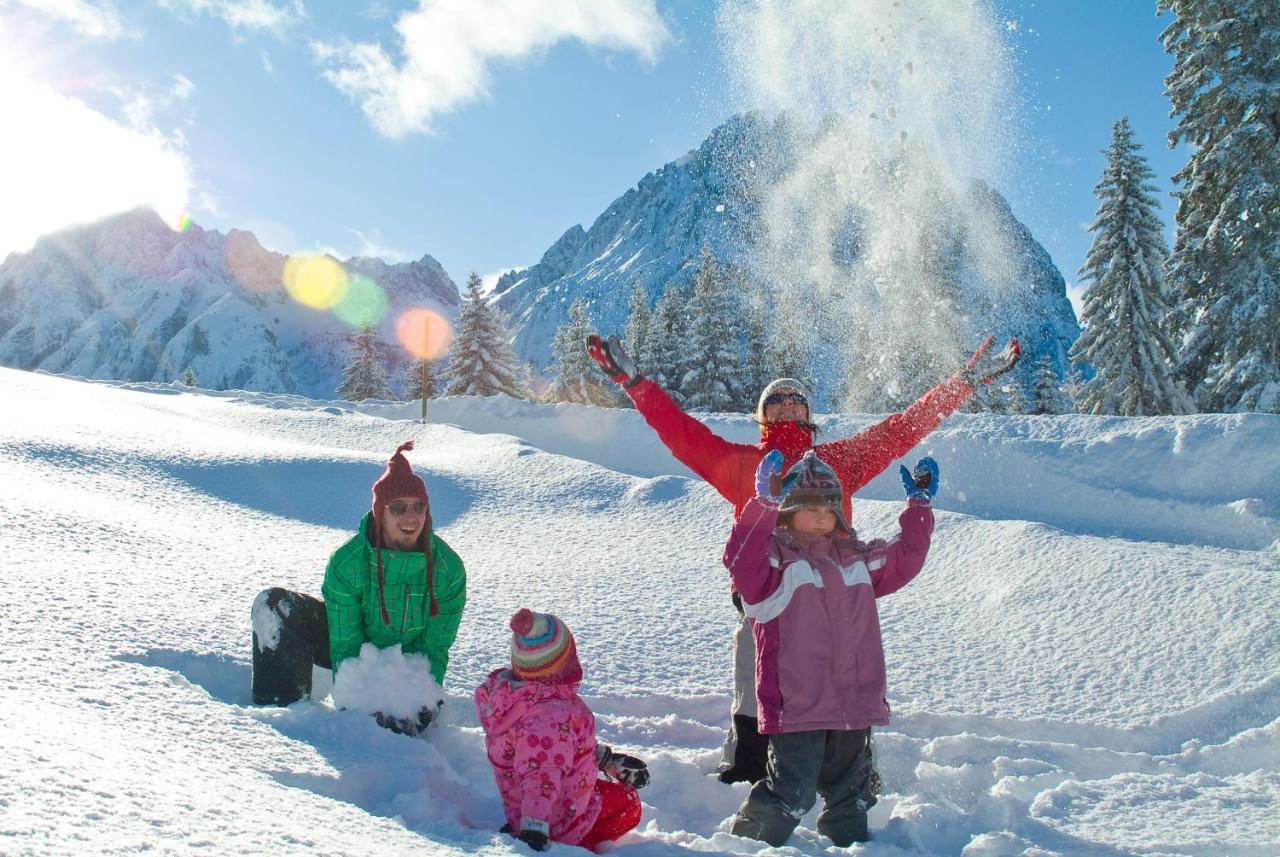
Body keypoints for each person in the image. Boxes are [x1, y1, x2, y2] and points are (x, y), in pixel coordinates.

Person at [586, 333, 1018, 783]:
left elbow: (901, 429)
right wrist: (635, 383)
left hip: (832, 594)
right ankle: (749, 763)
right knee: (756, 677)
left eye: (798, 400)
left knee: (843, 677)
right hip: (766, 594)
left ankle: (851, 769)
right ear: (763, 416)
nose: (789, 405)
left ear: (810, 415)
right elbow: (682, 434)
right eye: (777, 401)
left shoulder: (839, 463)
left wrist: (963, 383)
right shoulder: (744, 466)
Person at [724, 449, 938, 846]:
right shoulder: (775, 561)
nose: (822, 515)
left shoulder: (855, 558)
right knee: (791, 792)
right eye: (810, 506)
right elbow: (740, 560)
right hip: (799, 703)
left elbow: (905, 558)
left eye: (829, 506)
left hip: (854, 701)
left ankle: (851, 847)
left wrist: (918, 508)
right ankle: (745, 846)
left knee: (851, 794)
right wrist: (762, 505)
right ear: (788, 510)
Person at [250, 441, 467, 736]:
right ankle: (282, 729)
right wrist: (356, 707)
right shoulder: (347, 562)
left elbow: (434, 647)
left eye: (419, 506)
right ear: (380, 513)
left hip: (406, 660)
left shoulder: (447, 570)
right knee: (275, 605)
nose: (411, 516)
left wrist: (418, 701)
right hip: (355, 645)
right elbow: (347, 644)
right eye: (399, 507)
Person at [475, 608, 650, 852]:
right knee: (628, 805)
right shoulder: (549, 717)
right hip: (555, 818)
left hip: (537, 804)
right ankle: (577, 845)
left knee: (616, 799)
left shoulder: (515, 700)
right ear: (562, 665)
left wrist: (604, 760)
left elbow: (560, 749)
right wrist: (534, 829)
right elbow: (542, 773)